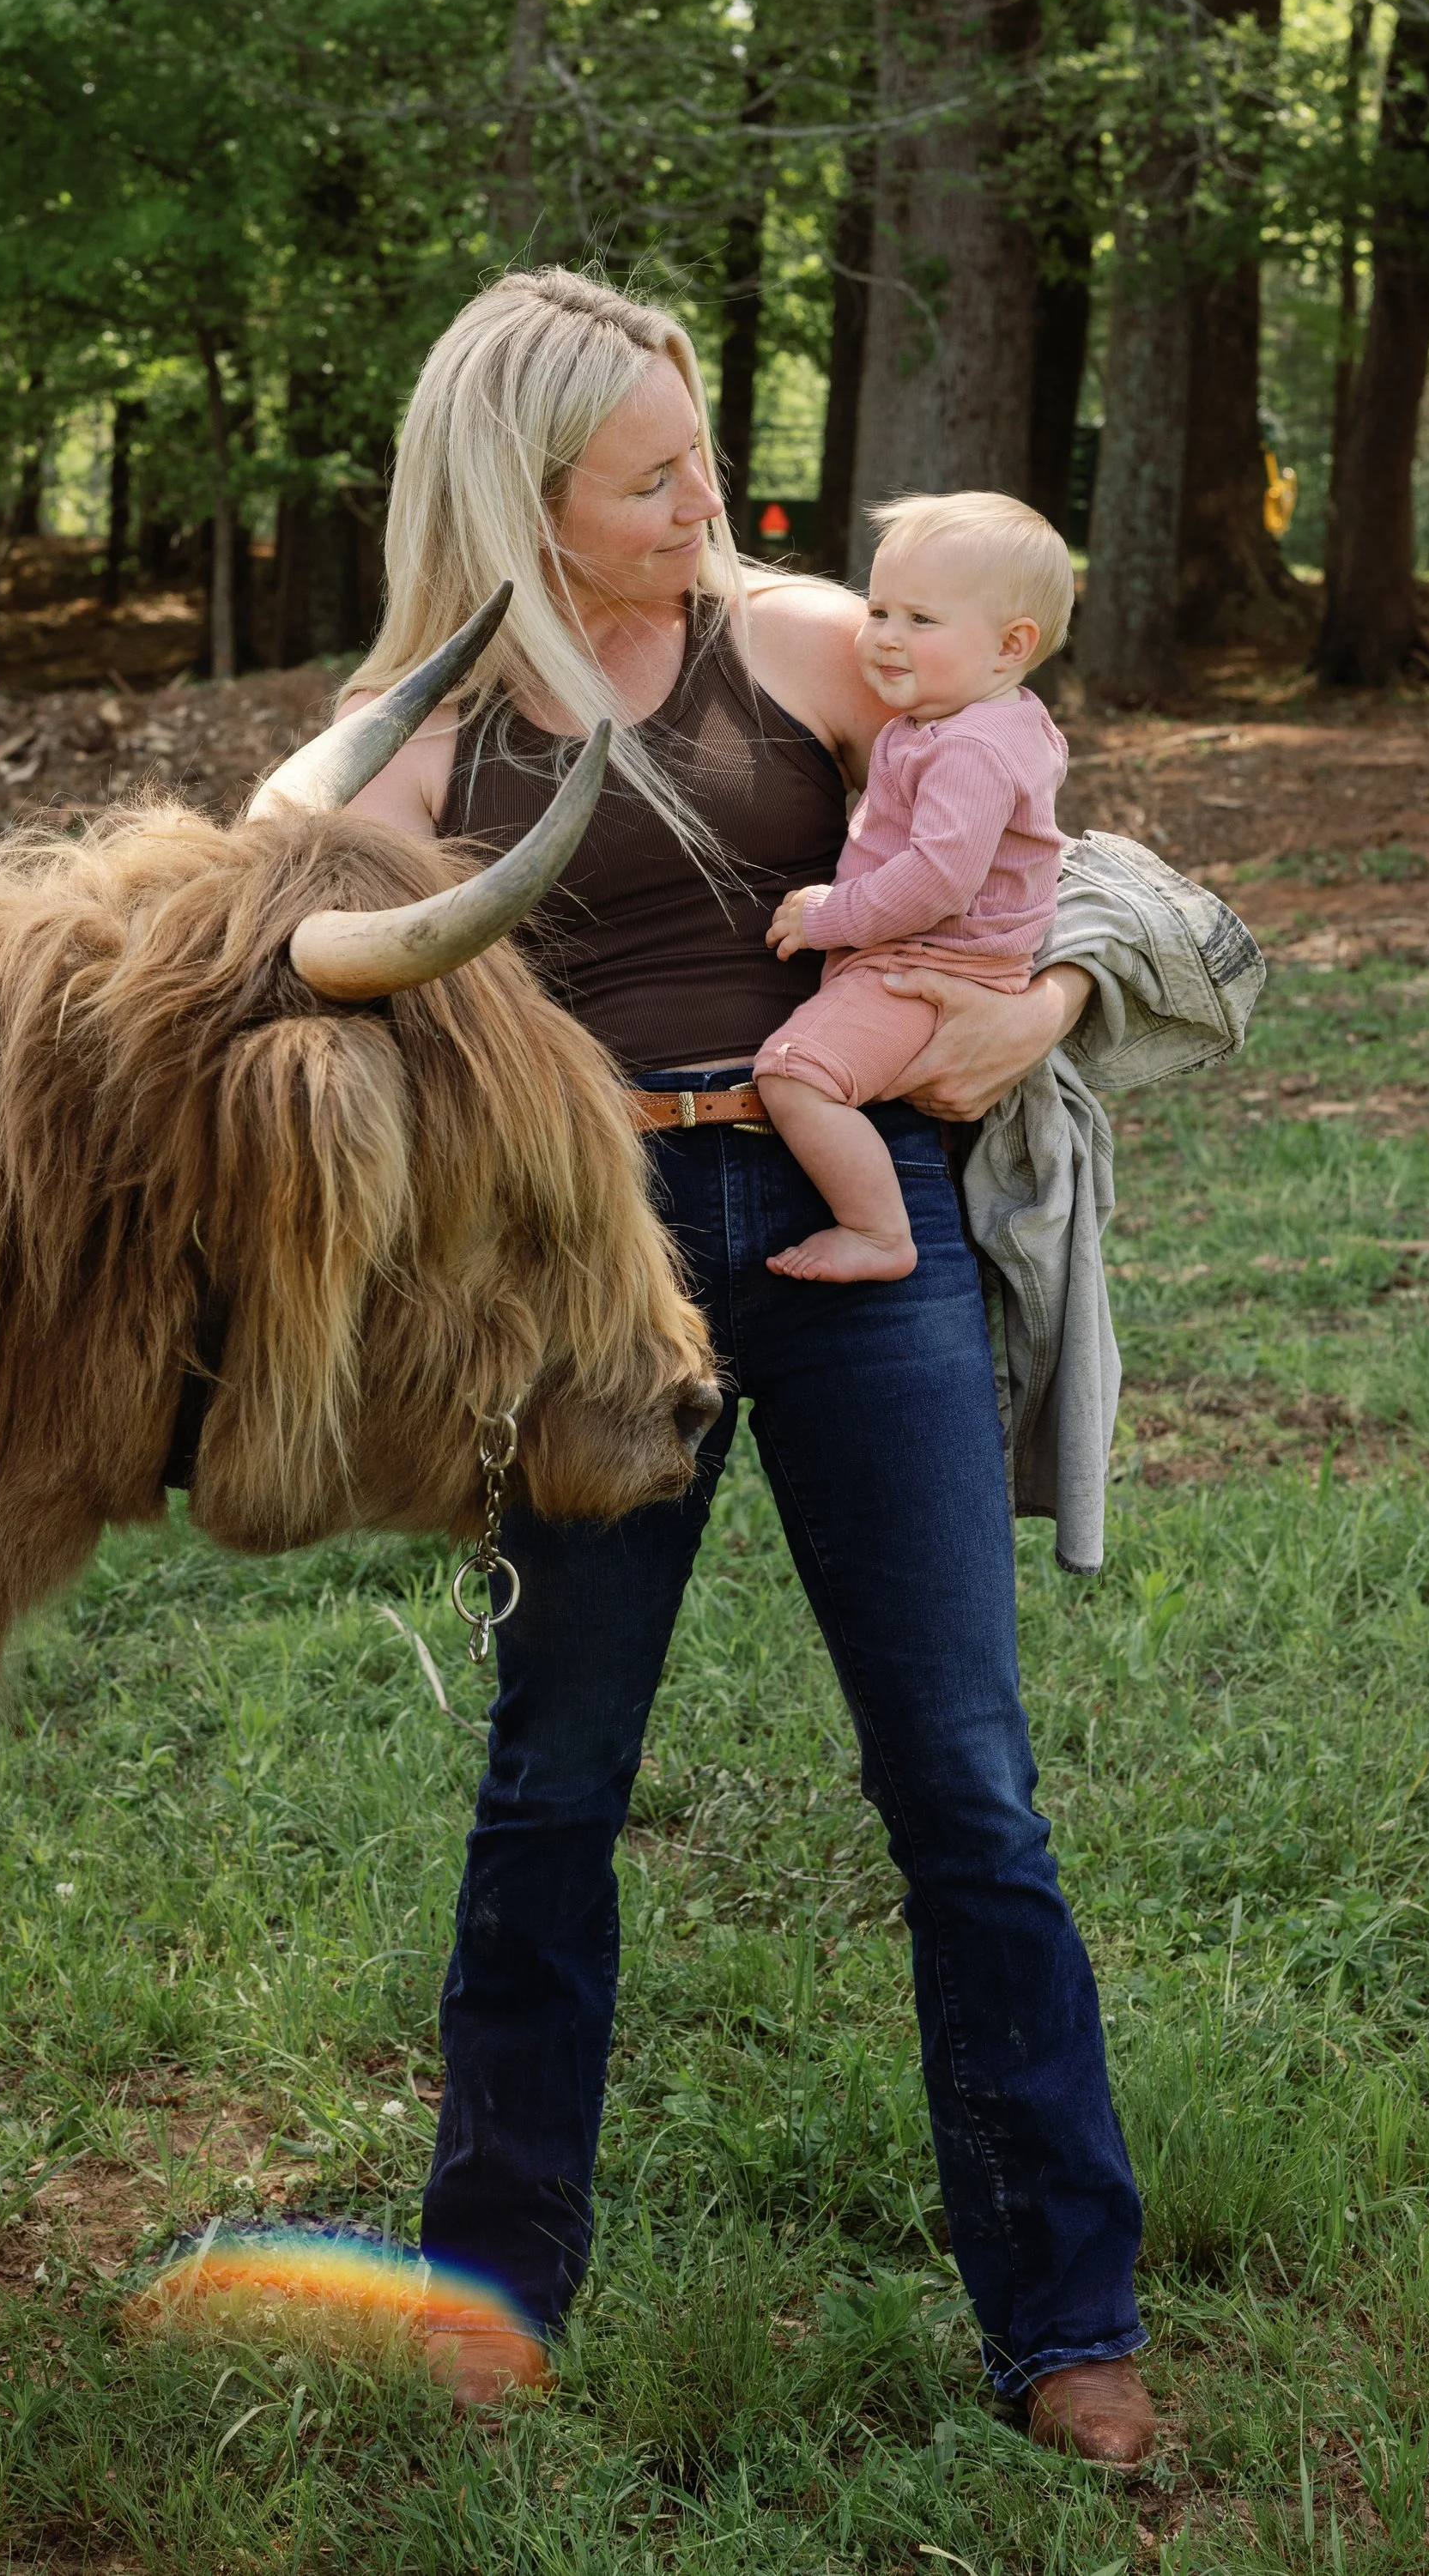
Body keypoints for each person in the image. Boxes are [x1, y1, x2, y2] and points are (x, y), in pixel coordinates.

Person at [336, 269, 1156, 2467]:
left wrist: (1046, 1009)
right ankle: (493, 2288)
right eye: (648, 471)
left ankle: (1068, 2312)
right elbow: (257, 953)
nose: (705, 493)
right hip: (590, 1276)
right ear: (519, 489)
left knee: (964, 1789)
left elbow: (1064, 849)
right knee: (551, 1788)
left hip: (853, 1227)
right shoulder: (411, 736)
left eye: (702, 445)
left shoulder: (802, 641)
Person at [754, 491, 1075, 1283]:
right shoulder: (972, 720)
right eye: (880, 610)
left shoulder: (970, 750)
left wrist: (831, 914)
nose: (886, 639)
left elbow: (937, 880)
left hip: (930, 967)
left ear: (1010, 646)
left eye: (921, 621)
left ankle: (877, 1231)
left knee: (794, 1076)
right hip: (928, 958)